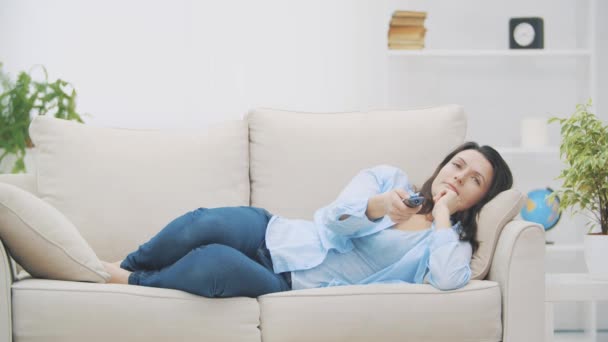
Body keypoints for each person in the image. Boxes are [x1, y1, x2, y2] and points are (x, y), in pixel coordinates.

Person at [102, 141, 513, 297]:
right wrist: (379, 206)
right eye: (457, 164)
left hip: (287, 283)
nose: (459, 176)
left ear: (481, 198)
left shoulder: (448, 243)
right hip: (276, 232)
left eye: (474, 179)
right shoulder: (389, 179)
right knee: (201, 224)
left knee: (213, 263)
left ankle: (132, 283)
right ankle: (125, 265)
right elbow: (334, 220)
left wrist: (441, 212)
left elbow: (446, 279)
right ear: (443, 163)